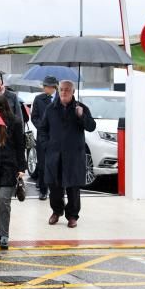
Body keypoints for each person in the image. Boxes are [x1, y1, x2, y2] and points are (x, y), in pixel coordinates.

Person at [40, 79, 96, 228]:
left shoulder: (81, 108)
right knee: (55, 187)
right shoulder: (51, 109)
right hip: (54, 155)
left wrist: (81, 116)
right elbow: (43, 129)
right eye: (62, 90)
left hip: (73, 156)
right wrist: (46, 146)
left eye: (67, 90)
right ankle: (56, 211)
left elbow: (91, 127)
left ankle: (72, 215)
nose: (64, 92)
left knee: (73, 188)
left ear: (73, 92)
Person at [0, 94, 27, 250]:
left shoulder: (14, 122)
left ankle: (4, 235)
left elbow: (20, 146)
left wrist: (21, 168)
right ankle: (1, 230)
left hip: (9, 167)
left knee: (3, 201)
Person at [30, 76, 58, 201]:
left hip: (58, 138)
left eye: (46, 86)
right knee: (42, 164)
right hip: (43, 137)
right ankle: (43, 190)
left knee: (57, 164)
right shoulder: (39, 99)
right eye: (44, 85)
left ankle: (56, 191)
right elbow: (34, 116)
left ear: (53, 87)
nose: (44, 88)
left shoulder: (61, 99)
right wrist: (41, 127)